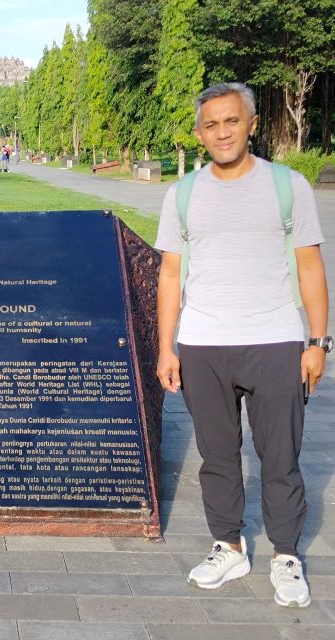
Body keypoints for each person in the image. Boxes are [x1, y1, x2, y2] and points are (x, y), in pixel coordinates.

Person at [155, 83, 328, 608]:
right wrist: (167, 348)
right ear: (199, 132)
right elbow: (170, 274)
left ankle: (285, 555)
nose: (222, 132)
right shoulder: (182, 193)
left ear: (251, 123)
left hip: (275, 339)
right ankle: (228, 545)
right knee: (218, 456)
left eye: (231, 121)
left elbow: (310, 265)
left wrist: (318, 341)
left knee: (281, 456)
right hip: (204, 344)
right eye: (211, 124)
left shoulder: (287, 186)